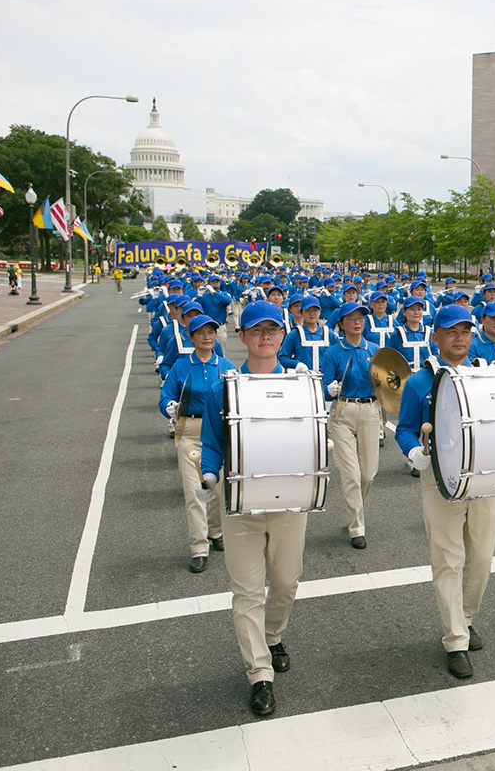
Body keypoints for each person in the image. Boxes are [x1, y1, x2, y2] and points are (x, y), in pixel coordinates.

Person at [199, 301, 307, 717]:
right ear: (241, 336)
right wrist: (209, 474)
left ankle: (273, 635)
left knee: (285, 582)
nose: (265, 336)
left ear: (282, 335)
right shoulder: (223, 389)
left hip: (289, 500)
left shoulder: (300, 384)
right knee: (246, 591)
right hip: (241, 503)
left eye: (273, 329)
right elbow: (211, 442)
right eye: (257, 330)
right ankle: (259, 674)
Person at [397, 304, 495, 679]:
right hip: (440, 478)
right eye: (451, 331)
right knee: (448, 559)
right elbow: (405, 428)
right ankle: (455, 638)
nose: (460, 338)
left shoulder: (484, 375)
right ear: (436, 336)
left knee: (482, 558)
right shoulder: (419, 381)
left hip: (483, 476)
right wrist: (414, 451)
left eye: (465, 331)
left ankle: (466, 617)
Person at [159, 313, 236, 573]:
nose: (207, 337)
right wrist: (169, 406)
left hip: (219, 432)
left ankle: (216, 532)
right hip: (191, 432)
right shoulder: (181, 367)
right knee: (194, 492)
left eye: (211, 332)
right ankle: (199, 547)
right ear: (190, 337)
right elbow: (166, 396)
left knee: (219, 488)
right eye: (201, 333)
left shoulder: (226, 366)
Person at [321, 301, 382, 549]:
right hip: (343, 411)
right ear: (341, 323)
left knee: (368, 475)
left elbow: (385, 382)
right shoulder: (333, 353)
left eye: (360, 318)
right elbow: (324, 387)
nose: (357, 322)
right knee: (351, 475)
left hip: (370, 410)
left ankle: (356, 508)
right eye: (351, 318)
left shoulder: (375, 350)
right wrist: (329, 388)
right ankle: (357, 527)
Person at [278, 295, 337, 372]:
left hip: (326, 377)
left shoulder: (329, 334)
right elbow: (282, 358)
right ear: (302, 312)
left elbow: (340, 355)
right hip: (303, 377)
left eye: (315, 310)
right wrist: (296, 364)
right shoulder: (294, 334)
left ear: (320, 312)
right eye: (308, 310)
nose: (311, 313)